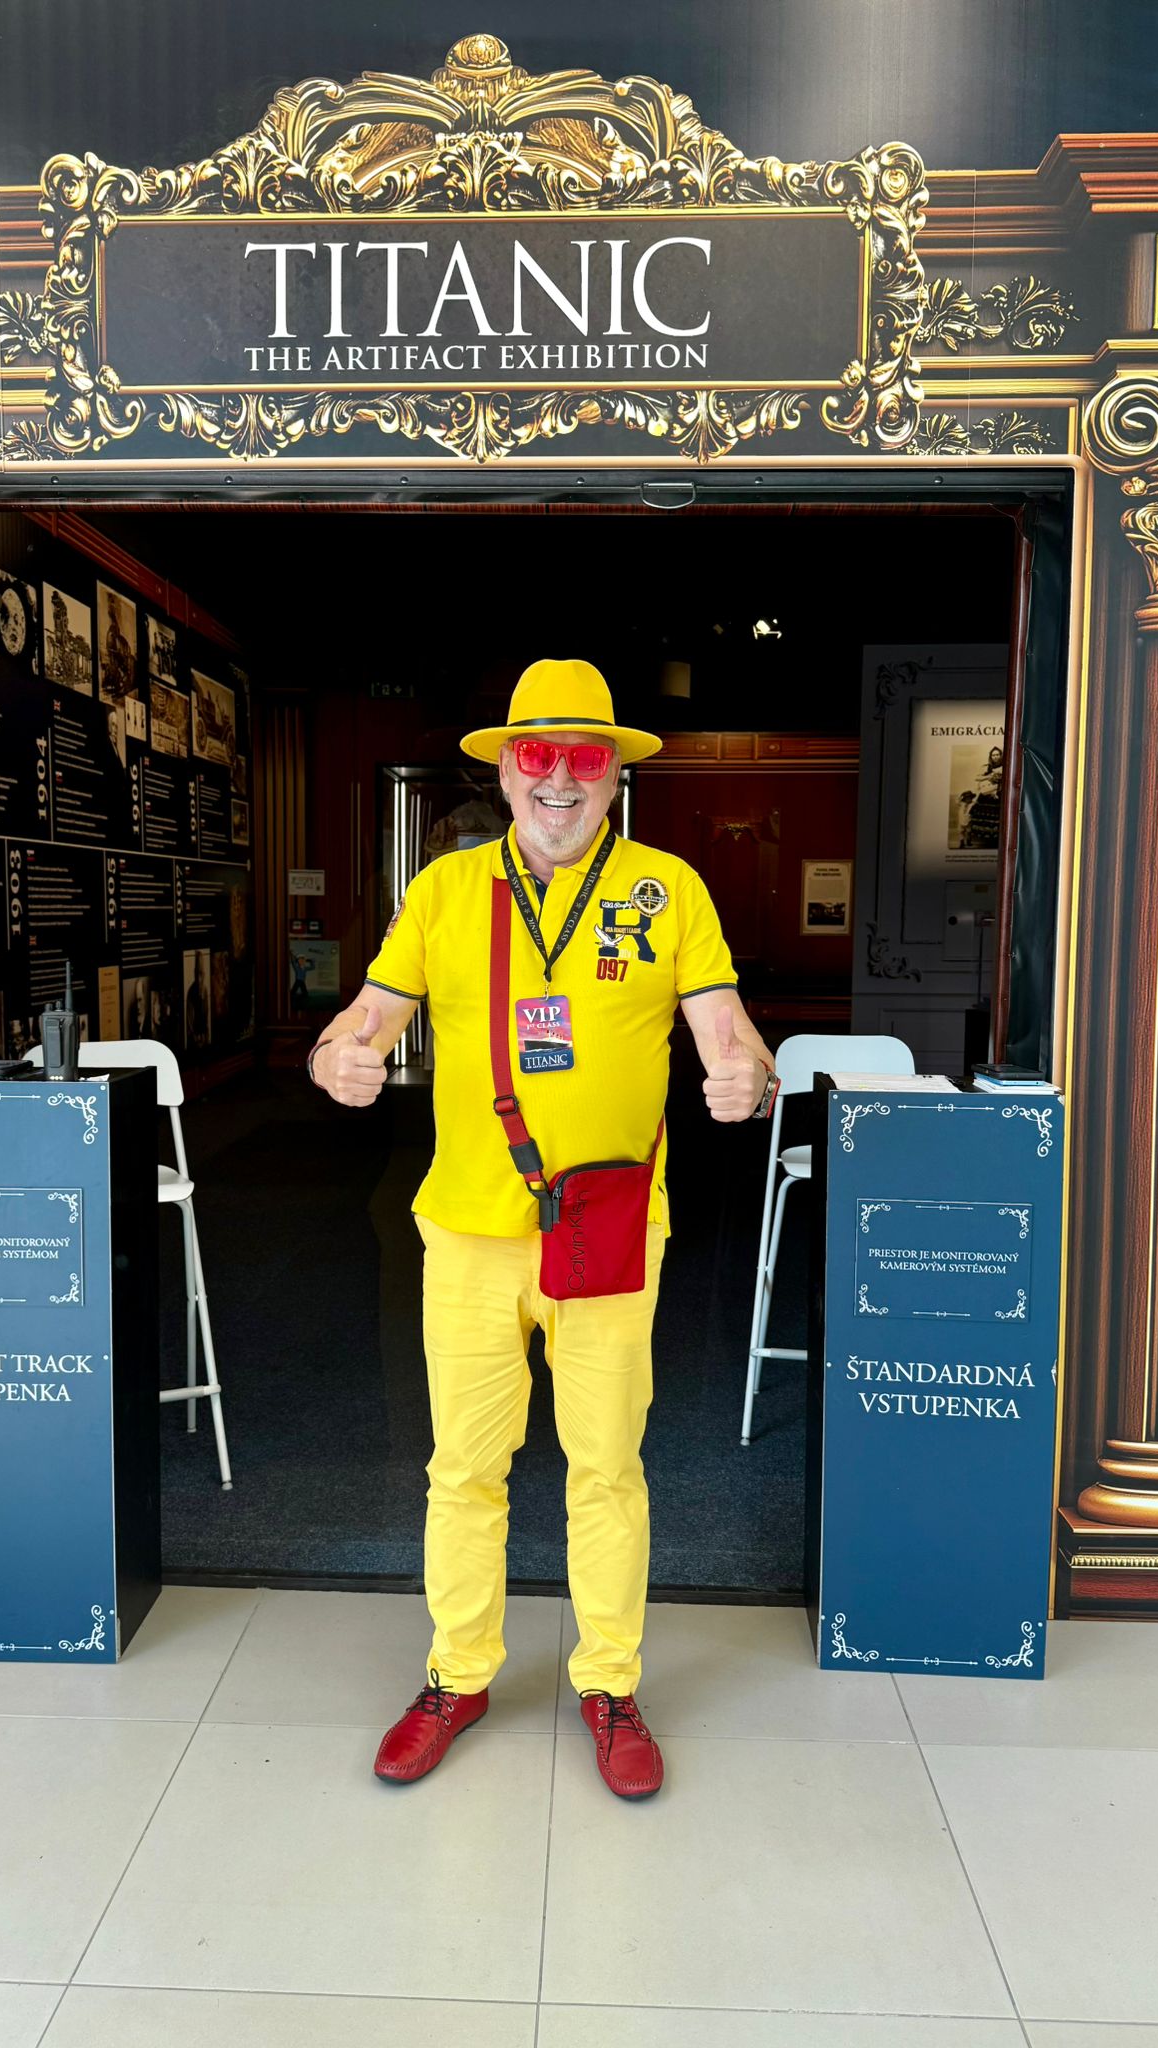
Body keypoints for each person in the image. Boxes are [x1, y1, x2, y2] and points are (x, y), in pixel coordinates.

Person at [308, 658, 779, 1800]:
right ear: (505, 771)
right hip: (470, 1230)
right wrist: (338, 1059)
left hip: (609, 1233)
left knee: (606, 1465)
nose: (560, 778)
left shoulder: (668, 890)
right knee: (465, 1467)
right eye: (538, 754)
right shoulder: (445, 890)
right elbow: (363, 1018)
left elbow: (729, 1032)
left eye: (584, 757)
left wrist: (749, 1079)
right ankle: (458, 1674)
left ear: (615, 774)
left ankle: (609, 1683)